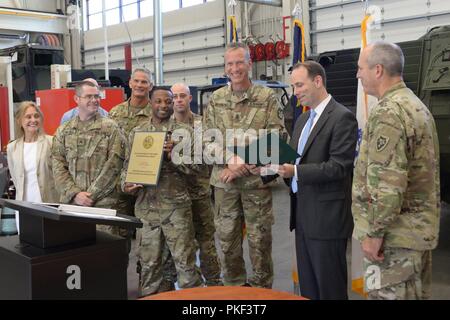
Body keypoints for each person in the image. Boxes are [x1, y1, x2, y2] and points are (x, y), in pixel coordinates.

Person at [352, 41, 440, 300]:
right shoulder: (414, 104)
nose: (358, 75)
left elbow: (388, 185)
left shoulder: (389, 112)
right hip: (413, 234)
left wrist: (374, 234)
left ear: (377, 70)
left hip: (394, 241)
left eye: (360, 68)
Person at [203, 42, 287, 288]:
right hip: (224, 185)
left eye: (240, 62)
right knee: (227, 242)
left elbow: (278, 137)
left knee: (259, 243)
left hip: (256, 185)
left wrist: (243, 163)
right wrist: (230, 160)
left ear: (249, 64)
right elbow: (207, 139)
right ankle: (234, 289)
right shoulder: (216, 99)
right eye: (230, 63)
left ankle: (261, 293)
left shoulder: (266, 97)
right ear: (225, 67)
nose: (235, 68)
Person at [277, 61, 358, 300]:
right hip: (302, 218)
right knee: (309, 289)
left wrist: (296, 172)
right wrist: (263, 163)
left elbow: (339, 167)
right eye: (293, 87)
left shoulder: (342, 117)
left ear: (318, 81)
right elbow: (291, 157)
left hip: (327, 221)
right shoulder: (302, 120)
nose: (296, 92)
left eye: (299, 85)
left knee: (330, 289)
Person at [121, 87, 202, 296]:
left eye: (168, 101)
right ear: (151, 102)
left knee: (186, 268)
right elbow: (127, 167)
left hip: (176, 209)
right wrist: (126, 184)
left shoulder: (185, 133)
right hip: (147, 211)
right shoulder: (137, 132)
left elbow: (199, 169)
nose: (164, 105)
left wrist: (174, 156)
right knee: (150, 268)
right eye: (159, 101)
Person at [168, 82, 222, 286]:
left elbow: (206, 158)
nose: (179, 100)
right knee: (182, 244)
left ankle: (215, 283)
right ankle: (191, 287)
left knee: (207, 242)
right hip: (175, 196)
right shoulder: (165, 126)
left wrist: (175, 154)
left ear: (190, 98)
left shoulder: (202, 126)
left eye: (183, 96)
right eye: (175, 96)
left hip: (200, 193)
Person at [51, 81, 125, 213]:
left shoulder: (111, 128)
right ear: (77, 99)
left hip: (103, 206)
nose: (94, 100)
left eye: (97, 96)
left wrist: (91, 196)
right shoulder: (64, 131)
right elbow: (58, 166)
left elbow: (114, 166)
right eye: (88, 96)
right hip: (72, 205)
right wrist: (75, 194)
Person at [7, 100, 59, 203]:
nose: (33, 120)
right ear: (19, 121)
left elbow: (60, 175)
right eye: (28, 117)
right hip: (23, 205)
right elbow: (16, 179)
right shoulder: (12, 147)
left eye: (36, 116)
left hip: (48, 203)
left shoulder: (51, 142)